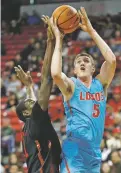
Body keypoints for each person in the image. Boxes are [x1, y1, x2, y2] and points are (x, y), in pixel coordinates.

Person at [50, 7, 116, 173]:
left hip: (94, 153)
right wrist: (59, 38)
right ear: (74, 70)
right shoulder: (71, 85)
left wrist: (91, 31)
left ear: (93, 68)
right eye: (78, 62)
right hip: (75, 149)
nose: (82, 63)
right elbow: (56, 74)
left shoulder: (101, 84)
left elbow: (112, 60)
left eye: (86, 61)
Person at [15, 16, 61, 173]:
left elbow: (34, 102)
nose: (32, 102)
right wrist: (50, 42)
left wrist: (29, 86)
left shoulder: (28, 128)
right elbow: (47, 79)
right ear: (28, 112)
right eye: (29, 103)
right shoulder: (34, 119)